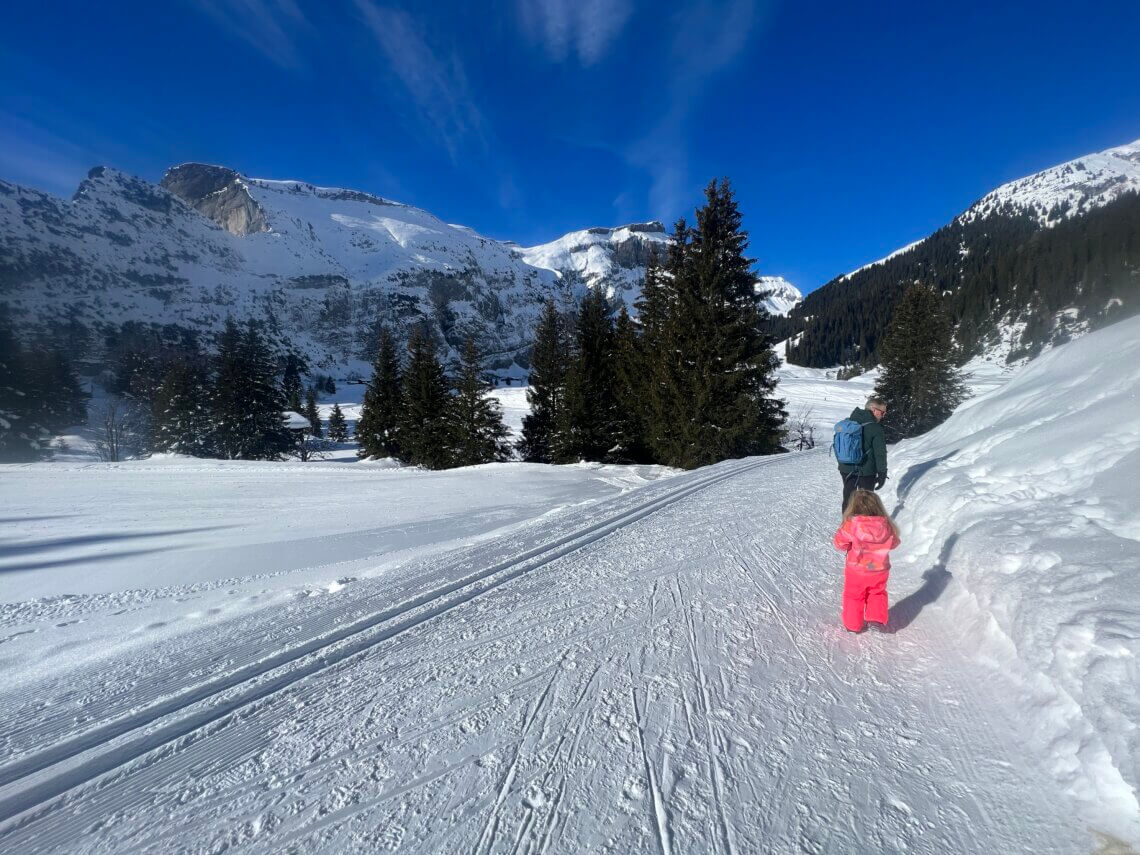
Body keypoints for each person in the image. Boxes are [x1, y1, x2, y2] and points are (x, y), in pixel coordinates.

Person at [833, 489, 901, 632]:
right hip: (879, 569)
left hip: (857, 570)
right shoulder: (886, 525)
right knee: (877, 592)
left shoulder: (851, 524)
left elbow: (839, 543)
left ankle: (853, 625)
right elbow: (894, 543)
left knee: (853, 596)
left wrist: (848, 545)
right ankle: (876, 619)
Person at [838, 396, 888, 513]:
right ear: (873, 409)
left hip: (846, 468)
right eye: (882, 412)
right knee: (867, 503)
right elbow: (880, 454)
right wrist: (882, 473)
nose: (883, 415)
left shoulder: (848, 422)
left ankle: (847, 527)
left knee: (849, 498)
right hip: (867, 472)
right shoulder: (875, 428)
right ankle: (864, 528)